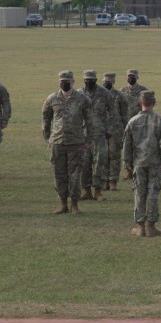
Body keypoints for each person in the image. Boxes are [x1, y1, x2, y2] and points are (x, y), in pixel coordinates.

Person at [42, 70, 93, 215]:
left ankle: (75, 205)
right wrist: (48, 138)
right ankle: (63, 203)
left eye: (67, 81)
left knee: (75, 175)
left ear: (73, 82)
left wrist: (87, 140)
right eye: (62, 81)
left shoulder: (82, 99)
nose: (64, 83)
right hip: (58, 142)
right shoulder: (52, 99)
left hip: (76, 142)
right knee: (59, 174)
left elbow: (90, 121)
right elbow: (46, 120)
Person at [123, 90, 161, 237]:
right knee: (153, 194)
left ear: (140, 103)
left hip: (139, 163)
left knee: (139, 193)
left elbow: (127, 145)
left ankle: (141, 226)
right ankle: (151, 226)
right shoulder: (159, 120)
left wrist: (128, 163)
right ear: (153, 103)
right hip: (155, 163)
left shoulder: (133, 121)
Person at [79, 69, 116, 202]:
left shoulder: (104, 93)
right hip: (83, 135)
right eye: (87, 80)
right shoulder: (79, 94)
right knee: (84, 163)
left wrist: (110, 130)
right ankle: (86, 190)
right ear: (83, 80)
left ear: (96, 80)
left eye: (92, 80)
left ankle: (98, 191)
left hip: (100, 134)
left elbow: (112, 112)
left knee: (100, 162)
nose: (89, 82)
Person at [119, 69, 148, 180]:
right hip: (126, 124)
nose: (131, 78)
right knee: (127, 148)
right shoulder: (122, 91)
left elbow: (147, 106)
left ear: (137, 77)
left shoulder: (143, 91)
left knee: (140, 147)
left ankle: (139, 169)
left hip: (140, 124)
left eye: (133, 76)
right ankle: (128, 171)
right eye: (129, 76)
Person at [102, 72, 129, 191]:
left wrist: (125, 130)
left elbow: (124, 115)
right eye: (105, 81)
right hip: (101, 130)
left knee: (114, 155)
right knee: (102, 156)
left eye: (109, 82)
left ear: (113, 82)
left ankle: (113, 180)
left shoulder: (120, 96)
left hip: (115, 130)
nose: (106, 83)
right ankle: (104, 180)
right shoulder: (98, 95)